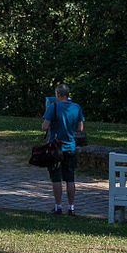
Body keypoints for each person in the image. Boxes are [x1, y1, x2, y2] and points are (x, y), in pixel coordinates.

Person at [41, 84, 85, 216]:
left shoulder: (53, 107)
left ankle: (58, 206)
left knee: (56, 178)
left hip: (55, 148)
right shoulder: (76, 107)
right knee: (70, 178)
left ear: (58, 94)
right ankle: (71, 207)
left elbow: (44, 126)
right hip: (70, 146)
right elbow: (80, 128)